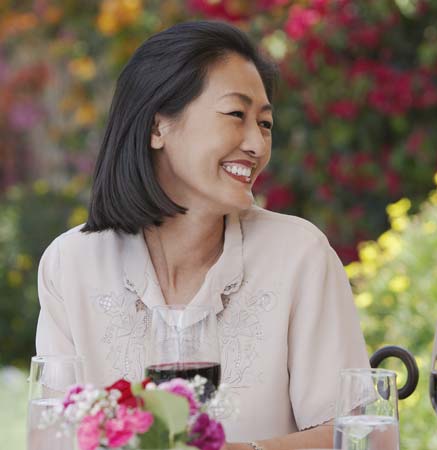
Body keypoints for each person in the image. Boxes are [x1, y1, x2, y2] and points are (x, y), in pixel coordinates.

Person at [35, 20, 369, 449]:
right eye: (236, 114)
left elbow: (360, 435)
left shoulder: (299, 255)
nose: (256, 144)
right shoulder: (71, 263)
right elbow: (53, 435)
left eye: (265, 124)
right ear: (158, 127)